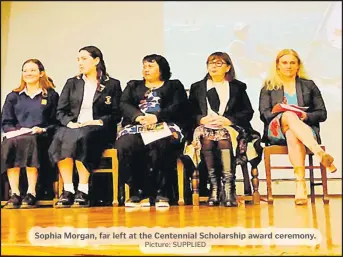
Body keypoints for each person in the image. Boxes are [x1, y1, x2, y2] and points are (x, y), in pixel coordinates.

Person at [259, 48, 337, 205]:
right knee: (288, 115)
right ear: (278, 65)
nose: (288, 66)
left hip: (304, 130)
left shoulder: (309, 85)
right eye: (285, 62)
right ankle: (318, 152)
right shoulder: (269, 86)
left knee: (293, 133)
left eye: (292, 62)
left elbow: (322, 113)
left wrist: (304, 116)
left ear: (298, 65)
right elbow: (264, 115)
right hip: (276, 130)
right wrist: (283, 113)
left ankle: (300, 184)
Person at [49, 46, 122, 208]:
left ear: (96, 61)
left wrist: (99, 121)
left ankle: (83, 189)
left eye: (84, 59)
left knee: (83, 136)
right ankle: (68, 189)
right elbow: (60, 111)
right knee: (61, 136)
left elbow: (116, 114)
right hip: (73, 126)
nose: (80, 63)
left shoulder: (112, 84)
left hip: (98, 128)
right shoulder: (72, 83)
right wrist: (70, 123)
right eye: (78, 59)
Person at [188, 52, 263, 207]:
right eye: (211, 63)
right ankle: (214, 188)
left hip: (230, 128)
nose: (214, 67)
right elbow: (188, 112)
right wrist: (201, 119)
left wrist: (229, 120)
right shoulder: (197, 87)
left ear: (228, 67)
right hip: (205, 128)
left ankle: (229, 188)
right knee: (207, 140)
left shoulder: (237, 87)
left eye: (219, 63)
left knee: (223, 138)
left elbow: (247, 112)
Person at [115, 54, 188, 208]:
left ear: (162, 69)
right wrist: (139, 117)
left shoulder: (174, 85)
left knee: (161, 143)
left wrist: (156, 117)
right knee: (125, 144)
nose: (146, 69)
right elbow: (124, 104)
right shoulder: (133, 85)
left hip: (164, 124)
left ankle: (162, 192)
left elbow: (179, 105)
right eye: (144, 66)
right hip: (138, 125)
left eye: (150, 66)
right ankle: (138, 191)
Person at [1, 59, 59, 209]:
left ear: (41, 73)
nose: (28, 73)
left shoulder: (50, 95)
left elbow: (56, 121)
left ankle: (31, 192)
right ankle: (15, 193)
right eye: (25, 70)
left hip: (41, 136)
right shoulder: (13, 96)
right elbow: (6, 121)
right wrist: (12, 132)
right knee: (9, 143)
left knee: (30, 141)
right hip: (17, 135)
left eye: (32, 70)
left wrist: (43, 129)